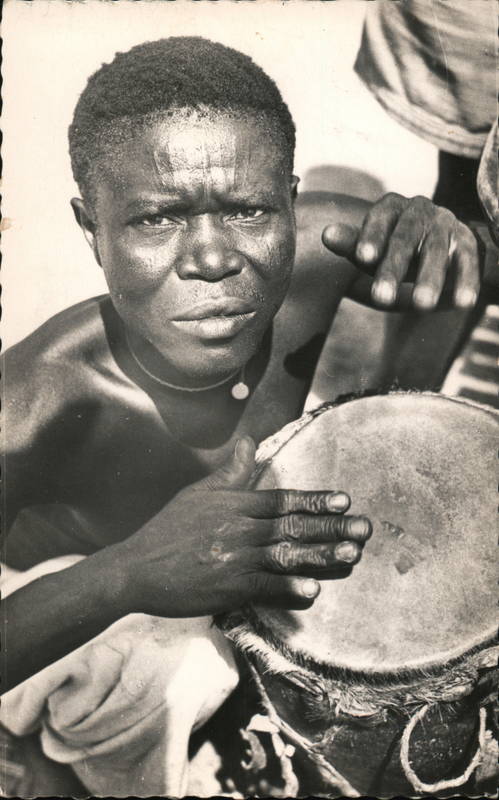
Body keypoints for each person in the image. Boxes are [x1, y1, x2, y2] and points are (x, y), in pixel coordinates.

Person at [1, 36, 494, 796]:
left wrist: (449, 239)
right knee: (171, 665)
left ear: (290, 203)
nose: (211, 259)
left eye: (249, 210)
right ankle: (58, 766)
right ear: (91, 227)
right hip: (76, 601)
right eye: (156, 219)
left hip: (212, 566)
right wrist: (128, 574)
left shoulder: (322, 246)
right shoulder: (36, 402)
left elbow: (473, 264)